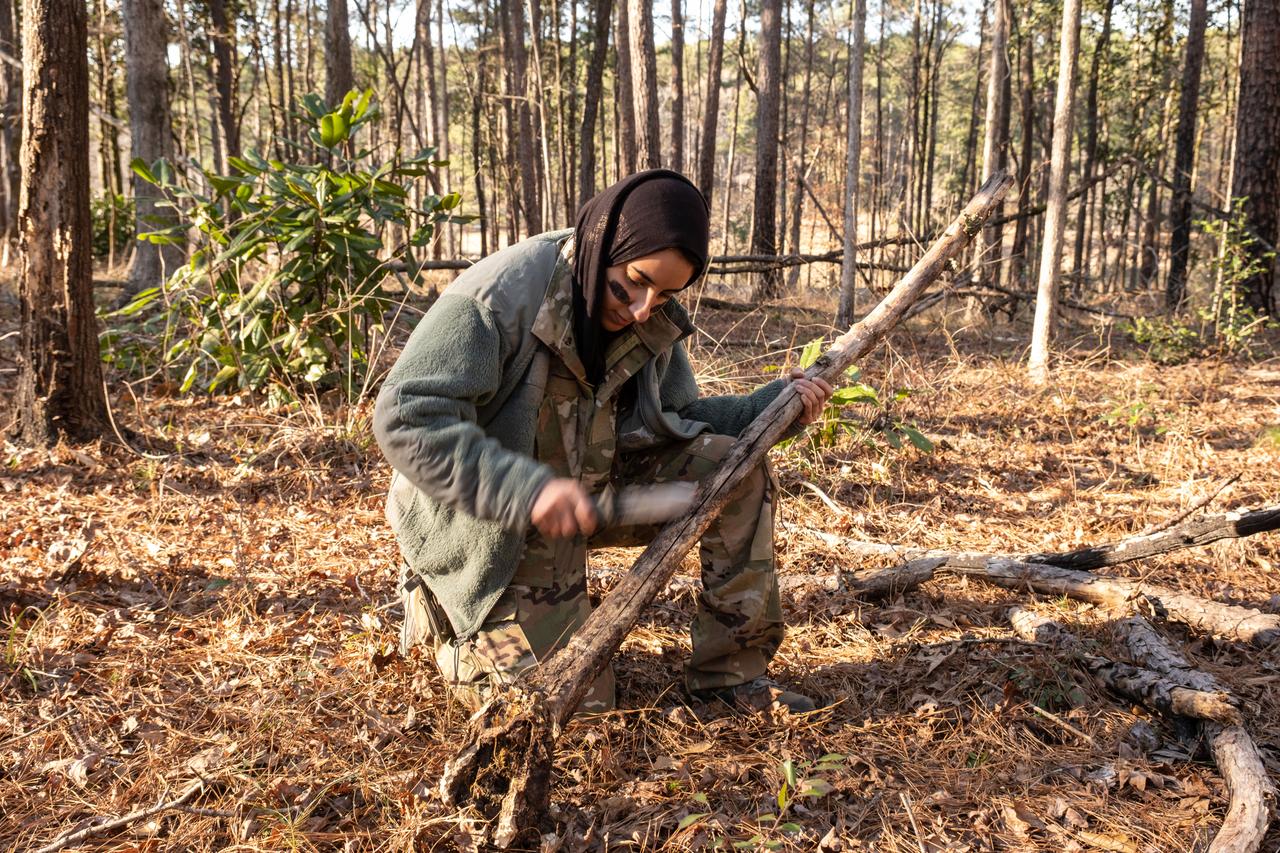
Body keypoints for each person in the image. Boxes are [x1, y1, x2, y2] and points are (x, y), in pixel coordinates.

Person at [374, 170, 834, 715]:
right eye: (633, 283)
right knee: (574, 710)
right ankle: (455, 630)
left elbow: (676, 418)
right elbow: (408, 417)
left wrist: (771, 408)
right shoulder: (498, 298)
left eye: (664, 294)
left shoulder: (648, 315)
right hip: (492, 529)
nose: (643, 308)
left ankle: (731, 678)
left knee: (735, 470)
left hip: (595, 497)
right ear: (604, 243)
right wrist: (524, 492)